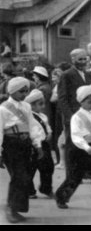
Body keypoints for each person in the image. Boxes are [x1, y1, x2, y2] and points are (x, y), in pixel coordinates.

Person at [54, 86, 91, 222]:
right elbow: (76, 136)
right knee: (75, 177)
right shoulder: (76, 117)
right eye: (89, 102)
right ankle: (61, 196)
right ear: (81, 101)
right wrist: (85, 147)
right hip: (79, 150)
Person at [1, 78, 43, 223]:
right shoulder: (3, 108)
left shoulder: (26, 106)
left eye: (26, 91)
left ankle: (17, 209)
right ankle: (10, 208)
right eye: (21, 91)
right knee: (19, 177)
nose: (25, 94)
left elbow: (32, 125)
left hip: (26, 144)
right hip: (11, 144)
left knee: (26, 177)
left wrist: (37, 145)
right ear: (12, 91)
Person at [57, 49, 91, 178]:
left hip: (87, 116)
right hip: (73, 116)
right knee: (72, 146)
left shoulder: (89, 75)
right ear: (73, 60)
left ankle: (85, 172)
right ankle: (71, 174)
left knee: (87, 143)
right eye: (80, 59)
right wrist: (71, 117)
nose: (83, 62)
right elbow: (62, 99)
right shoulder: (66, 75)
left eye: (85, 59)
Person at [24, 90, 54, 199]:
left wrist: (49, 132)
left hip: (44, 144)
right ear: (32, 106)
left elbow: (47, 126)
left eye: (43, 103)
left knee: (48, 167)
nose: (43, 106)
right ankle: (29, 190)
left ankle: (46, 188)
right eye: (40, 104)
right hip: (34, 145)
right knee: (30, 168)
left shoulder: (43, 116)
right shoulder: (30, 117)